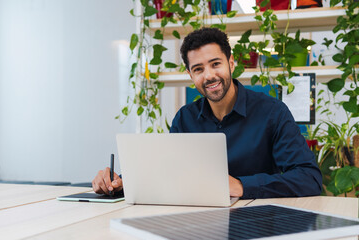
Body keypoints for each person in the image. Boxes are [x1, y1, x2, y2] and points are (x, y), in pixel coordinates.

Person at [92, 27, 322, 199]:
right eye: (199, 69)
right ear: (191, 76)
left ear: (231, 63)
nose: (209, 75)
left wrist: (241, 186)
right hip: (197, 221)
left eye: (215, 64)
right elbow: (165, 172)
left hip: (258, 220)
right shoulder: (185, 118)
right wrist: (121, 182)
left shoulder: (272, 112)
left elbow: (309, 179)